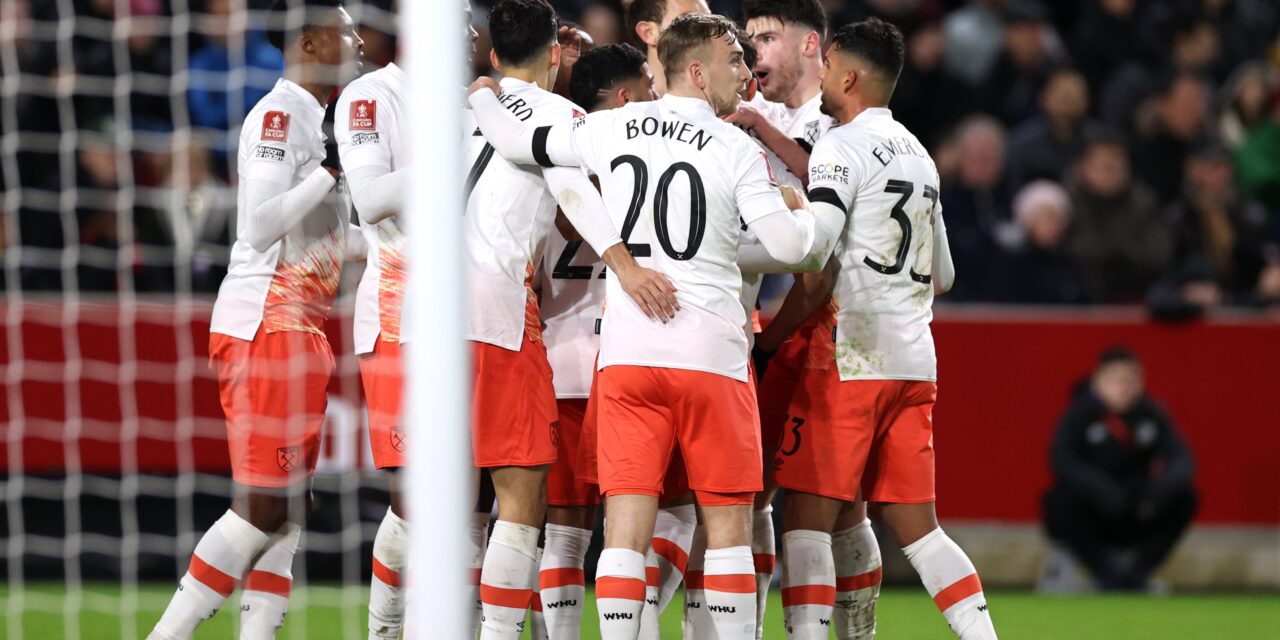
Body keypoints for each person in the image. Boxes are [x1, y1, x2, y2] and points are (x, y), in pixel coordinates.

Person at [469, 13, 829, 637]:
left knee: (623, 534)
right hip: (711, 358)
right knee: (726, 535)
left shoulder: (607, 127)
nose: (745, 74)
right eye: (734, 61)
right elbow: (793, 249)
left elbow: (518, 144)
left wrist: (482, 96)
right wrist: (811, 215)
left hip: (629, 358)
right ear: (697, 70)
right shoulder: (735, 148)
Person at [775, 18, 999, 639]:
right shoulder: (920, 154)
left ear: (847, 75)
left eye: (827, 65)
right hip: (913, 359)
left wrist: (786, 214)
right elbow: (945, 275)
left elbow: (811, 251)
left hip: (852, 356)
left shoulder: (840, 148)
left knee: (804, 519)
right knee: (920, 530)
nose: (819, 75)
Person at [148, 2, 364, 638]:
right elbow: (259, 223)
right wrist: (329, 172)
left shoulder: (313, 119)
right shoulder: (279, 115)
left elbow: (323, 238)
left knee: (289, 504)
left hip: (300, 327)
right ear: (308, 41)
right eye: (344, 29)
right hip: (267, 322)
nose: (357, 39)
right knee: (266, 501)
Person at [463, 2, 674, 637]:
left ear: (495, 57)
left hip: (425, 311)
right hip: (503, 309)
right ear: (556, 54)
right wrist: (628, 266)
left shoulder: (467, 115)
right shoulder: (568, 119)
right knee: (526, 501)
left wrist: (480, 98)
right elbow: (572, 195)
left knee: (456, 503)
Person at [730, 3, 883, 638]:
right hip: (788, 326)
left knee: (839, 507)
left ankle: (855, 629)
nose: (756, 50)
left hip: (842, 333)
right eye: (751, 39)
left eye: (768, 37)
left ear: (810, 44)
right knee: (755, 489)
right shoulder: (754, 118)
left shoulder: (840, 115)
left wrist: (756, 127)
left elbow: (825, 254)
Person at [535, 41, 656, 640]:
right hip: (617, 366)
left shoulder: (545, 170)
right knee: (636, 528)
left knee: (566, 531)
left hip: (563, 364)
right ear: (625, 97)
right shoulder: (640, 169)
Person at [332, 26, 412, 640]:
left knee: (474, 502)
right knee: (414, 501)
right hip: (398, 317)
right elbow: (367, 199)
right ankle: (384, 631)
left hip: (474, 324)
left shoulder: (480, 102)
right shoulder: (372, 96)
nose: (469, 27)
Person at [1043, 347, 1197, 590]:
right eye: (1115, 380)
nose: (1123, 387)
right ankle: (1106, 574)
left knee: (1186, 498)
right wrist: (1102, 491)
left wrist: (1155, 496)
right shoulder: (1080, 414)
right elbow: (1061, 460)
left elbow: (1182, 461)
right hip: (1093, 510)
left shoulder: (1151, 414)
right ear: (1098, 381)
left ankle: (1136, 574)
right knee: (1059, 501)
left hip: (1137, 510)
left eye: (1130, 379)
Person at [622, 0, 710, 96]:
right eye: (687, 21)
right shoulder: (633, 109)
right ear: (648, 33)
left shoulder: (722, 100)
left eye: (710, 20)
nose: (706, 32)